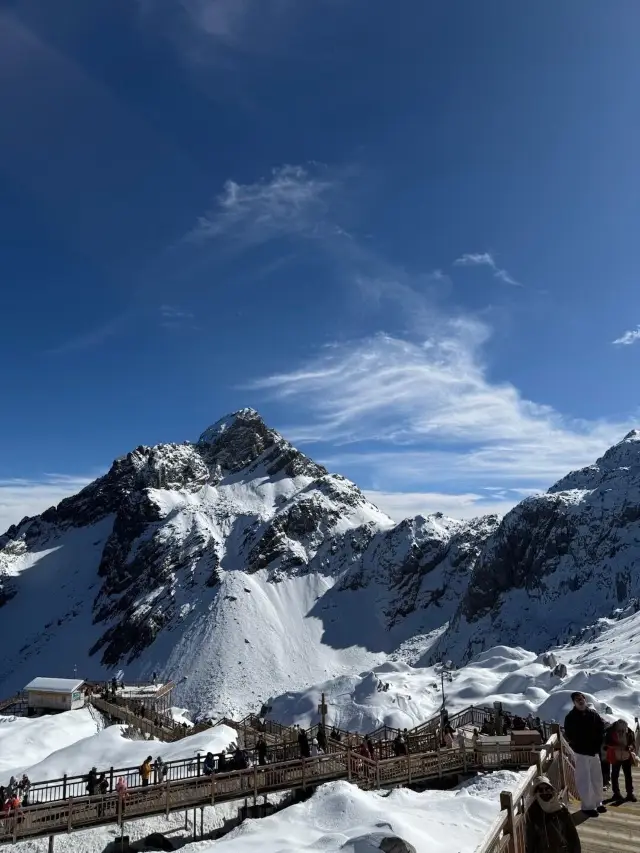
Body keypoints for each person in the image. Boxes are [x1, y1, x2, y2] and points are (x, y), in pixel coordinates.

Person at [564, 692, 606, 816]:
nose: (580, 700)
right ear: (574, 702)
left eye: (581, 698)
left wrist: (598, 742)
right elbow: (569, 734)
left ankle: (598, 802)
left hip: (594, 752)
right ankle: (588, 806)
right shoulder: (570, 717)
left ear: (585, 699)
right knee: (584, 780)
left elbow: (601, 729)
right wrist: (580, 742)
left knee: (597, 778)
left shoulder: (593, 714)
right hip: (581, 752)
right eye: (577, 699)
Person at [525, 775, 581, 853]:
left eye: (547, 789)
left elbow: (572, 835)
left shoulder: (561, 809)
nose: (544, 792)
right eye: (540, 790)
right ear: (536, 793)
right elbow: (530, 840)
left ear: (551, 790)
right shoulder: (532, 813)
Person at [605, 719, 637, 802]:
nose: (622, 731)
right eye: (620, 730)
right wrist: (617, 747)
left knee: (628, 775)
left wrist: (630, 747)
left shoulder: (629, 731)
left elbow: (633, 743)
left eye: (624, 730)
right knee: (615, 775)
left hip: (626, 756)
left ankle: (629, 793)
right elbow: (607, 743)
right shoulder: (611, 732)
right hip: (616, 756)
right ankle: (617, 794)